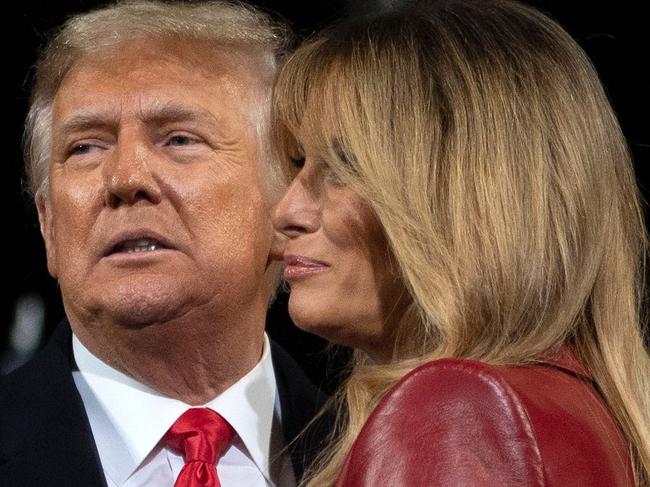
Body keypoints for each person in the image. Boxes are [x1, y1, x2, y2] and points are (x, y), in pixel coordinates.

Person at [270, 0, 650, 485]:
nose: (286, 212)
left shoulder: (459, 413)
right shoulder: (585, 410)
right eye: (299, 162)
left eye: (344, 167)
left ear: (463, 196)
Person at [0, 1, 328, 486]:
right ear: (48, 226)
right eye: (85, 147)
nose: (125, 178)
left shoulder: (380, 451)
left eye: (178, 139)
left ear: (286, 205)